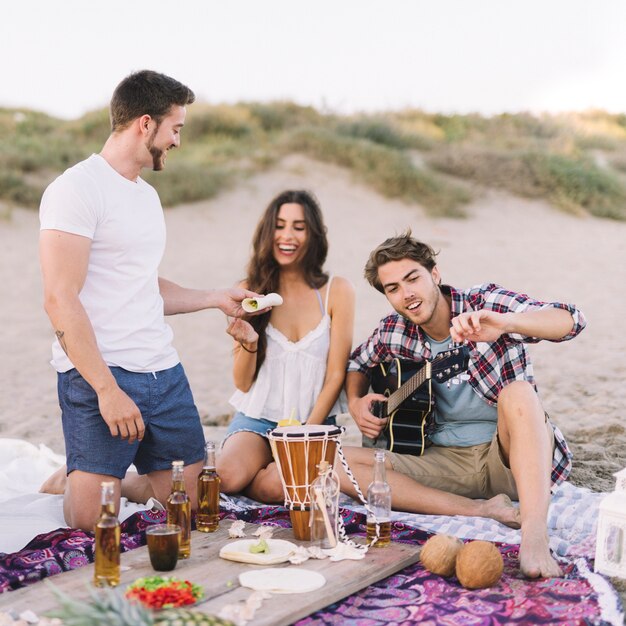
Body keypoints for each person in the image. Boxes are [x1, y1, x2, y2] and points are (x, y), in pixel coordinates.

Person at [38, 70, 261, 531]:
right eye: (175, 128)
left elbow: (143, 287)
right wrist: (107, 391)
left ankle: (106, 471)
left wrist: (216, 297)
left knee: (199, 511)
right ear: (145, 124)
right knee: (91, 524)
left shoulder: (147, 198)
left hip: (163, 373)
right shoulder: (75, 189)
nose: (178, 140)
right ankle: (78, 473)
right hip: (99, 375)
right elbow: (60, 299)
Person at [339, 231, 586, 579]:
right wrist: (356, 400)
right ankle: (483, 510)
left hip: (509, 460)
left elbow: (571, 320)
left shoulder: (484, 303)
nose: (406, 293)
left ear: (435, 275)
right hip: (444, 463)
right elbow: (357, 364)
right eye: (393, 288)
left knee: (518, 392)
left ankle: (533, 534)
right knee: (334, 463)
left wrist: (507, 324)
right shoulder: (393, 331)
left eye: (413, 279)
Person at [217, 190, 355, 502]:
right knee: (225, 478)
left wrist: (303, 434)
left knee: (285, 487)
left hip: (313, 423)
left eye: (299, 227)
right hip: (258, 420)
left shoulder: (337, 291)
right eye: (279, 225)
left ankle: (266, 474)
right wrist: (248, 343)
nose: (287, 235)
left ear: (313, 235)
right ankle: (257, 467)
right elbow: (241, 382)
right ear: (268, 232)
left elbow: (335, 376)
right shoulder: (248, 290)